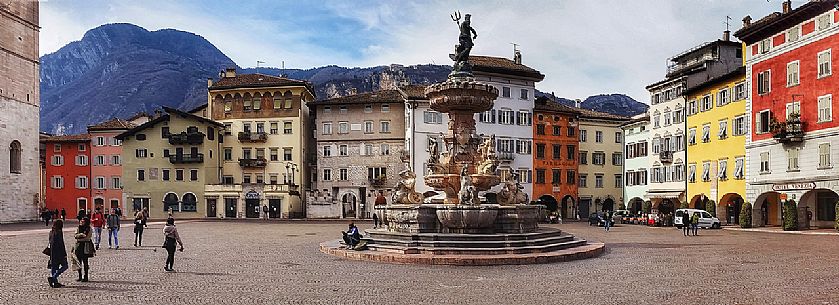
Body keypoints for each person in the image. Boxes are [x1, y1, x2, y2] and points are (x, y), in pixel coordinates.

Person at [47, 219, 68, 288]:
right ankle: (53, 277)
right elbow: (61, 244)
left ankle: (55, 282)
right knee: (65, 266)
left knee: (54, 267)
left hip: (53, 252)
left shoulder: (51, 232)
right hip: (59, 253)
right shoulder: (58, 232)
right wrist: (64, 254)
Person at [74, 217, 95, 282]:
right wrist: (80, 235)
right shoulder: (78, 228)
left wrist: (79, 236)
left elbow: (86, 237)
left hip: (86, 246)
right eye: (81, 221)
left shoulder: (89, 228)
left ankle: (86, 276)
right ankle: (80, 276)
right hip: (79, 246)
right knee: (78, 262)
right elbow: (75, 236)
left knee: (85, 262)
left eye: (83, 221)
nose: (81, 222)